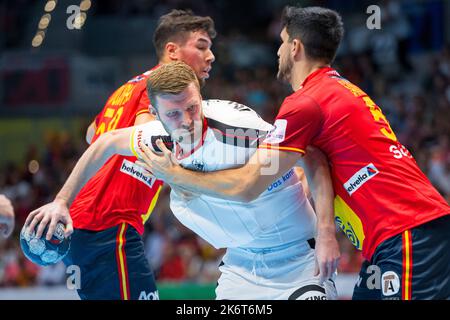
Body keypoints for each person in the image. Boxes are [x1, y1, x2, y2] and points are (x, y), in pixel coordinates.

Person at [139, 7, 450, 300]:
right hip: (398, 236)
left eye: (282, 42)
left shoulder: (305, 103)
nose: (277, 51)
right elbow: (311, 157)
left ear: (296, 48)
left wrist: (175, 175)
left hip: (408, 230)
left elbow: (249, 185)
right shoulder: (338, 89)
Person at [28, 61, 339, 300]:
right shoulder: (155, 138)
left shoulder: (237, 129)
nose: (188, 121)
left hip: (301, 260)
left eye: (192, 108)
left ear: (200, 97)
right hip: (241, 267)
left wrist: (326, 232)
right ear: (154, 114)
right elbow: (103, 143)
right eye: (174, 114)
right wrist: (61, 202)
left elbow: (310, 155)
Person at [25, 9, 216, 300]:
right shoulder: (160, 90)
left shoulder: (127, 87)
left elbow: (93, 134)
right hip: (107, 226)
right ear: (172, 51)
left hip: (90, 225)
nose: (211, 56)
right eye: (201, 46)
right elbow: (139, 138)